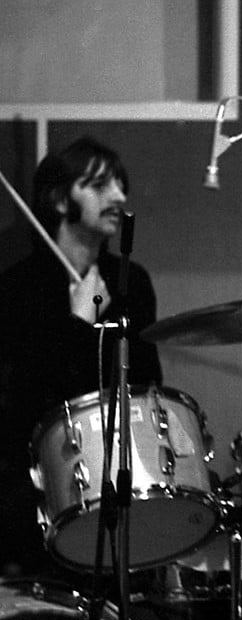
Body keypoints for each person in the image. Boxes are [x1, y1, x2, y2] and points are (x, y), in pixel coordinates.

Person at [0, 136, 163, 578]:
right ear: (59, 199)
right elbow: (20, 408)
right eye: (99, 186)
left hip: (123, 475)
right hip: (40, 490)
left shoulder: (132, 282)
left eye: (120, 185)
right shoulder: (17, 289)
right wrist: (77, 323)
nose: (119, 196)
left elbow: (148, 385)